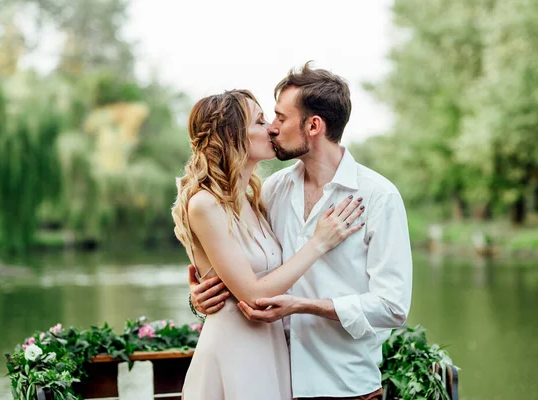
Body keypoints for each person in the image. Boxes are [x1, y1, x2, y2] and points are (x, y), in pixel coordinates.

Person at [189, 63, 413, 400]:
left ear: (313, 125)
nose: (273, 128)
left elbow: (393, 306)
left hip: (344, 387)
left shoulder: (378, 197)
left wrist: (304, 305)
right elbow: (241, 262)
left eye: (280, 118)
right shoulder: (271, 191)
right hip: (274, 380)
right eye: (267, 119)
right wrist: (199, 295)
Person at [172, 89, 366, 400]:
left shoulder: (254, 200)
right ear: (231, 135)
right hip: (234, 350)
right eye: (261, 121)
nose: (272, 129)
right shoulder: (204, 205)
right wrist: (319, 242)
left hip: (271, 347)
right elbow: (252, 294)